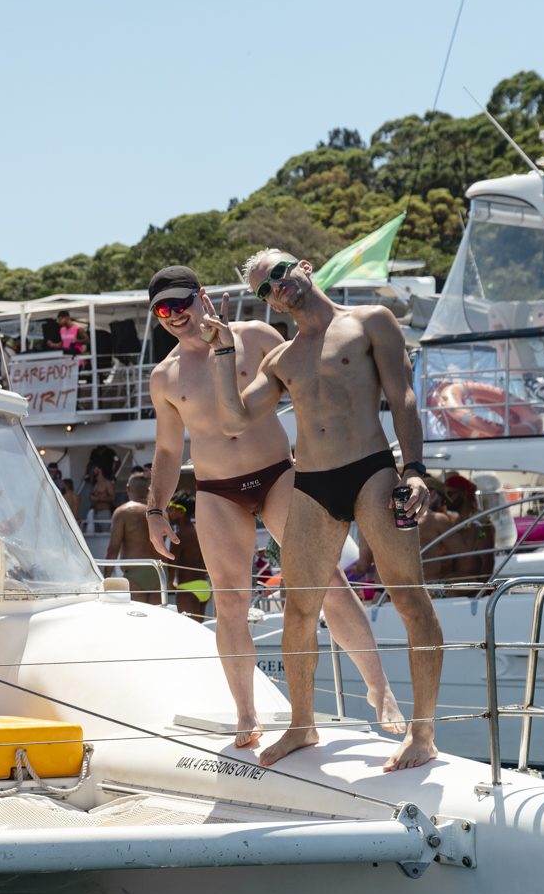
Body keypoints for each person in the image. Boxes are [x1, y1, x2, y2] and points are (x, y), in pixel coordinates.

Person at [144, 264, 404, 748]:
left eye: (180, 303)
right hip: (216, 489)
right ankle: (247, 715)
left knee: (326, 579)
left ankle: (380, 688)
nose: (174, 315)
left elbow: (308, 381)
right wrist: (154, 511)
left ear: (202, 295)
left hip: (278, 473)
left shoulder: (257, 335)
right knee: (230, 601)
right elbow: (165, 452)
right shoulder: (165, 377)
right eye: (163, 310)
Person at [208, 249, 440, 770]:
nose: (275, 288)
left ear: (305, 267)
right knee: (299, 611)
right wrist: (223, 351)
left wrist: (416, 470)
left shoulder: (369, 321)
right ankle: (302, 725)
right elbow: (235, 419)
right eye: (263, 290)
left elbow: (402, 397)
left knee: (409, 598)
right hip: (312, 483)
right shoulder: (282, 358)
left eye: (278, 274)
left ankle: (422, 733)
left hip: (373, 472)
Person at [104, 471, 162, 604]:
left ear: (128, 488)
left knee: (137, 618)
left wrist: (105, 579)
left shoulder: (123, 512)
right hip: (159, 572)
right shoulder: (161, 513)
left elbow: (113, 549)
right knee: (156, 620)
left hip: (135, 572)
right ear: (148, 490)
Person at [164, 498, 209, 618]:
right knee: (200, 630)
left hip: (187, 589)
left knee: (190, 633)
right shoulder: (200, 530)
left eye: (171, 509)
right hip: (204, 585)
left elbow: (172, 564)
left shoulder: (179, 536)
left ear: (180, 512)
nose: (169, 513)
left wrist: (169, 583)